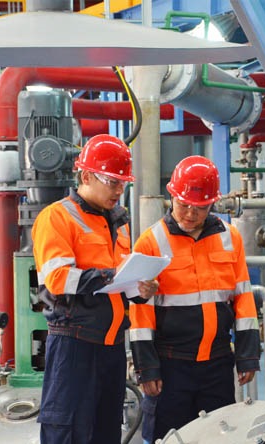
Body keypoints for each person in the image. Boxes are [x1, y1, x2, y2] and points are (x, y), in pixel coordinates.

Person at [32, 134, 158, 444]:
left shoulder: (118, 222)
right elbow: (57, 278)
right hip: (74, 345)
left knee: (106, 432)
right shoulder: (57, 217)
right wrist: (111, 275)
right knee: (68, 432)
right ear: (86, 176)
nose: (119, 190)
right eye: (112, 182)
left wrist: (139, 290)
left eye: (123, 183)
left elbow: (118, 282)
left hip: (111, 346)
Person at [129, 155, 261, 442]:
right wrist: (146, 368)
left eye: (199, 207)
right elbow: (141, 313)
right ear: (172, 196)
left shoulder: (230, 238)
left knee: (218, 438)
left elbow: (243, 298)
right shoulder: (151, 242)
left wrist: (247, 355)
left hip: (217, 364)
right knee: (168, 438)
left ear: (212, 204)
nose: (190, 214)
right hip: (170, 366)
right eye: (183, 204)